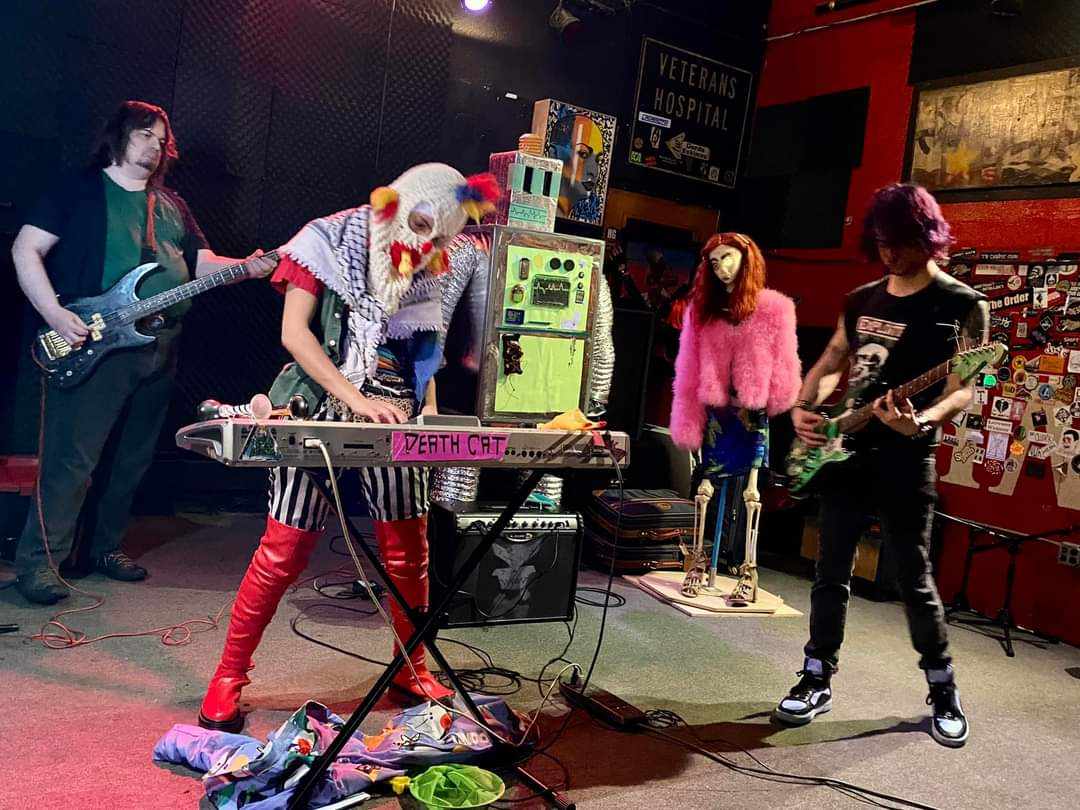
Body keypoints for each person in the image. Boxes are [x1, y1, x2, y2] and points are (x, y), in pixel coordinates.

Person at [197, 164, 499, 733]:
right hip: (320, 407)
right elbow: (294, 333)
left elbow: (423, 350)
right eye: (425, 229)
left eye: (440, 238)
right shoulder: (323, 240)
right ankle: (229, 677)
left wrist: (429, 417)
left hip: (394, 414)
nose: (429, 246)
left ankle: (410, 669)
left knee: (409, 554)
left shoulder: (424, 261)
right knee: (283, 552)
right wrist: (356, 399)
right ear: (400, 205)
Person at [12, 100, 277, 606]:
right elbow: (26, 249)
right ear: (119, 135)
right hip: (93, 340)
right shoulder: (78, 189)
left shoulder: (171, 204)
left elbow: (201, 263)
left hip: (159, 345)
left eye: (162, 140)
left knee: (131, 458)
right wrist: (55, 314)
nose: (155, 146)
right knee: (72, 460)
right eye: (145, 135)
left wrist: (247, 266)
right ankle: (40, 564)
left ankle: (104, 549)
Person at [774, 184, 988, 748]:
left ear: (928, 237)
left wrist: (924, 421)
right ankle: (816, 676)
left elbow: (964, 387)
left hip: (906, 456)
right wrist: (804, 405)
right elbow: (832, 359)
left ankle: (943, 688)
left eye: (901, 242)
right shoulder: (862, 298)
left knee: (913, 578)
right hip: (843, 452)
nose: (890, 253)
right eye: (883, 242)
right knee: (830, 572)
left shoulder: (963, 304)